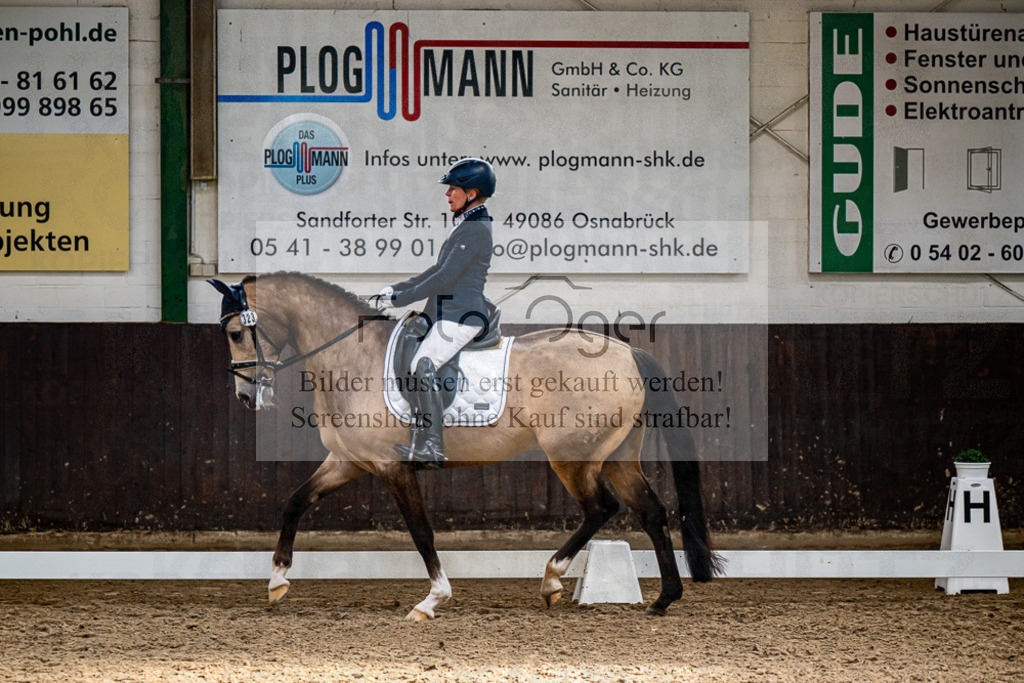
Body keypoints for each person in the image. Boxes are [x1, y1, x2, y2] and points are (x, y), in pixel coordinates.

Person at [378, 157, 497, 468]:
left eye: (452, 190)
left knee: (423, 364)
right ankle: (420, 437)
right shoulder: (466, 224)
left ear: (471, 193)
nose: (447, 195)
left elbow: (445, 279)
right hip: (447, 314)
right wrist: (396, 289)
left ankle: (432, 445)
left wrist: (401, 299)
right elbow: (436, 270)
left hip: (462, 316)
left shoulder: (475, 229)